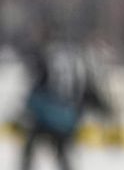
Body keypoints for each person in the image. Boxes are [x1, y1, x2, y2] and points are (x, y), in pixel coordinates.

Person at [17, 34, 118, 170]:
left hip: (49, 120)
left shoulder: (52, 66)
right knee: (57, 152)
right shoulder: (79, 68)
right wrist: (104, 111)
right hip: (63, 122)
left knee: (36, 150)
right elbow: (90, 94)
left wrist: (27, 110)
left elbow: (37, 89)